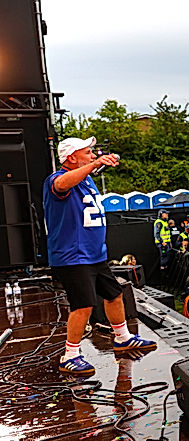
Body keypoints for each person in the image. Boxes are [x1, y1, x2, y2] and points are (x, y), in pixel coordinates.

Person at [43, 136, 156, 375]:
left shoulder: (87, 179)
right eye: (87, 153)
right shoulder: (56, 179)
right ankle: (70, 354)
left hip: (94, 255)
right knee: (83, 304)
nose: (92, 156)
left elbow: (84, 174)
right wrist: (93, 165)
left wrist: (99, 164)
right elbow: (62, 184)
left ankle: (123, 338)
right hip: (73, 256)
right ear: (71, 157)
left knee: (115, 295)